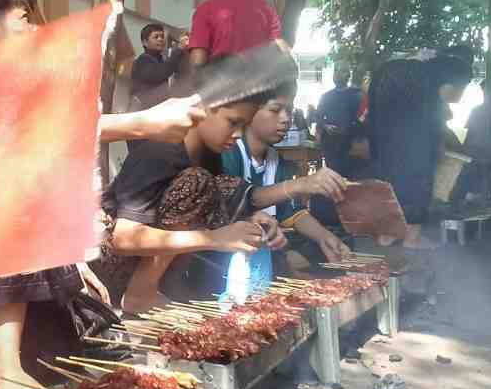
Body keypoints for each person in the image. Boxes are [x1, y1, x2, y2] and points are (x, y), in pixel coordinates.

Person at [0, 0, 212, 389]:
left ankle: (12, 359)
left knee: (86, 332)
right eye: (26, 20)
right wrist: (141, 123)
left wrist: (72, 260)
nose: (38, 32)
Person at [97, 52, 347, 312]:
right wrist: (215, 238)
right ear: (203, 108)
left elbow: (221, 203)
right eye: (232, 122)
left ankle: (163, 285)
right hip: (113, 266)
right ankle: (141, 293)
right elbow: (122, 239)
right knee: (199, 182)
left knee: (222, 186)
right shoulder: (161, 151)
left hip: (146, 260)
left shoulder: (209, 154)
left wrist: (250, 222)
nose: (238, 134)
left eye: (244, 125)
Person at [220, 81, 351, 271]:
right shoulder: (230, 154)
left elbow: (291, 213)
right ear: (248, 112)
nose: (285, 119)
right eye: (275, 110)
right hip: (227, 261)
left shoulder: (276, 160)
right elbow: (240, 200)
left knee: (313, 252)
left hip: (262, 256)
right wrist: (301, 184)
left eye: (289, 111)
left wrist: (325, 237)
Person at [367, 47, 474, 248]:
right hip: (409, 135)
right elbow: (436, 120)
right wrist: (438, 148)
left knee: (391, 175)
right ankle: (412, 237)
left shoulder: (406, 70)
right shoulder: (436, 77)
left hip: (386, 134)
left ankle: (387, 235)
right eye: (463, 88)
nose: (461, 94)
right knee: (421, 170)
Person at [315, 68, 364, 178]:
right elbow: (318, 116)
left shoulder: (357, 94)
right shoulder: (326, 96)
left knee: (353, 178)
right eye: (335, 71)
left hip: (351, 143)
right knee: (334, 177)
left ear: (348, 75)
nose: (337, 74)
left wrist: (355, 132)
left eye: (341, 71)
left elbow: (363, 118)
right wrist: (325, 126)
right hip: (331, 144)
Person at [130, 23, 186, 110]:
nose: (160, 39)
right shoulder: (143, 61)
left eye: (162, 36)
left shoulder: (160, 59)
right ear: (145, 42)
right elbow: (161, 73)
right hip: (146, 112)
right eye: (156, 37)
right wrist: (178, 50)